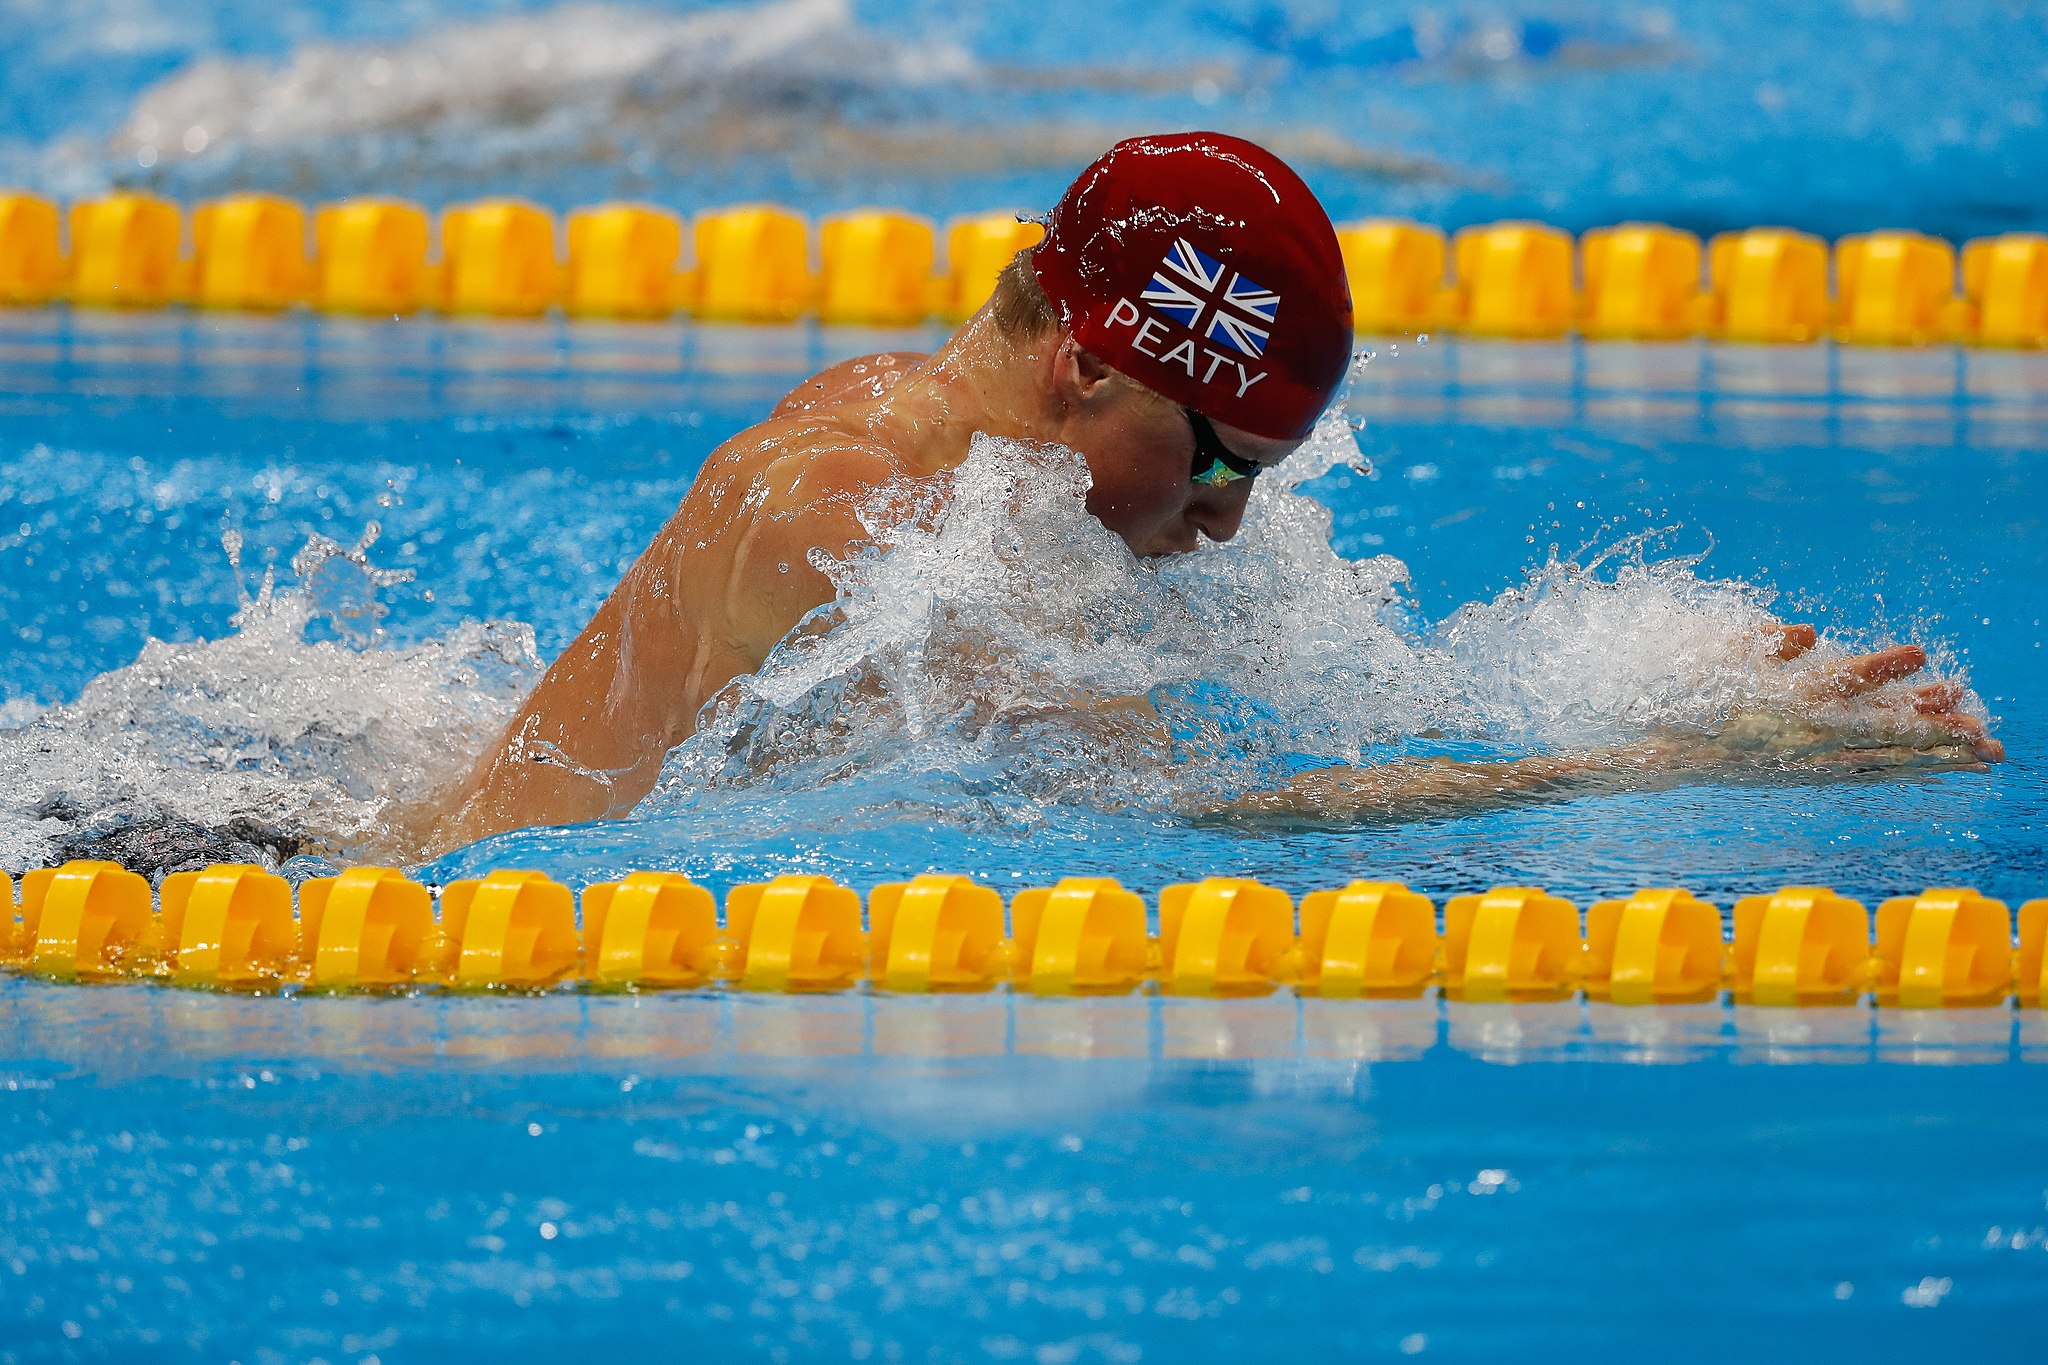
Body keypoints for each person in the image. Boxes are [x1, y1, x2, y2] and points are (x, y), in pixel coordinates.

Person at [440, 132, 2001, 846]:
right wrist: (1664, 761)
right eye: (1214, 455)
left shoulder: (967, 454)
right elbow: (1191, 819)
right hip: (419, 934)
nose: (1231, 513)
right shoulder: (847, 516)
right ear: (1084, 368)